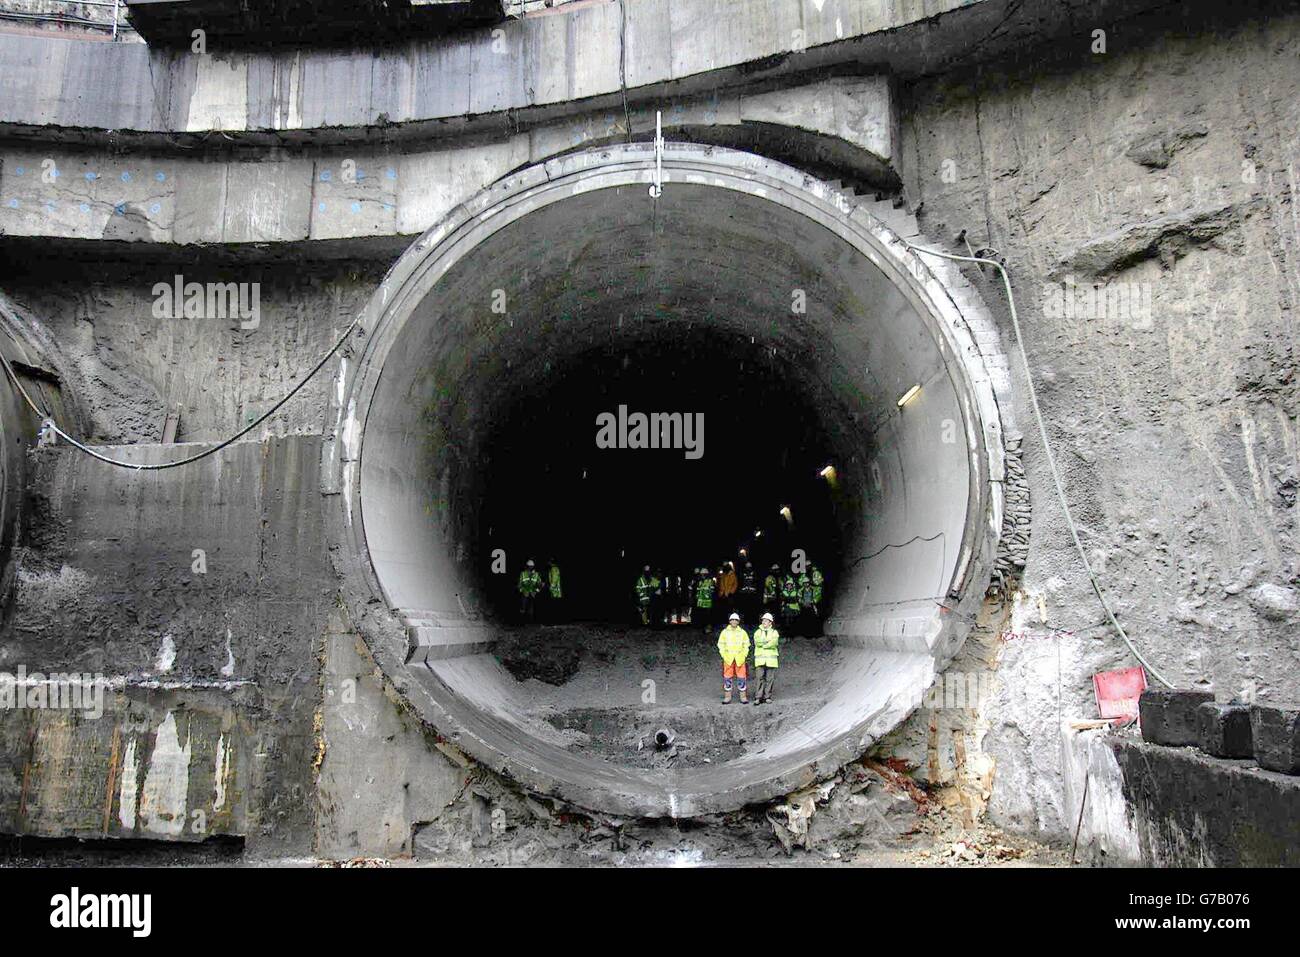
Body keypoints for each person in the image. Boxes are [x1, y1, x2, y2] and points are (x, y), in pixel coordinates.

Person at [717, 611, 750, 704]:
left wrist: (744, 654)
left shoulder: (743, 633)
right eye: (732, 620)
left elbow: (746, 644)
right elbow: (721, 644)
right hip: (728, 658)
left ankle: (743, 697)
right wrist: (724, 654)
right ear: (730, 621)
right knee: (727, 677)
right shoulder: (724, 632)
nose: (734, 621)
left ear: (738, 621)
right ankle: (727, 697)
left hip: (740, 658)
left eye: (736, 620)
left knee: (742, 677)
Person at [752, 612, 780, 705]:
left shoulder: (774, 632)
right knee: (759, 678)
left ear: (770, 622)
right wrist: (768, 642)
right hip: (760, 660)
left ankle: (767, 697)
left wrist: (764, 644)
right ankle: (758, 697)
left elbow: (774, 643)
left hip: (771, 660)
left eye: (766, 620)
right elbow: (757, 642)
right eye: (763, 620)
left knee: (769, 679)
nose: (764, 622)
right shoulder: (757, 632)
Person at [695, 566, 716, 632]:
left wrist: (709, 596)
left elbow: (712, 591)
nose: (702, 576)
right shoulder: (700, 582)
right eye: (701, 574)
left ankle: (708, 628)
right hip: (701, 602)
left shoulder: (710, 581)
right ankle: (703, 627)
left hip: (708, 602)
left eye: (703, 574)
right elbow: (698, 590)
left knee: (708, 616)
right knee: (702, 615)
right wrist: (697, 596)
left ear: (706, 575)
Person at [545, 558, 563, 623]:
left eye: (548, 562)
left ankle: (555, 621)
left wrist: (550, 587)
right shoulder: (554, 569)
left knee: (554, 606)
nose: (547, 563)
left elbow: (554, 579)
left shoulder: (554, 569)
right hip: (555, 591)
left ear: (551, 562)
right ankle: (556, 620)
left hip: (555, 591)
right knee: (555, 606)